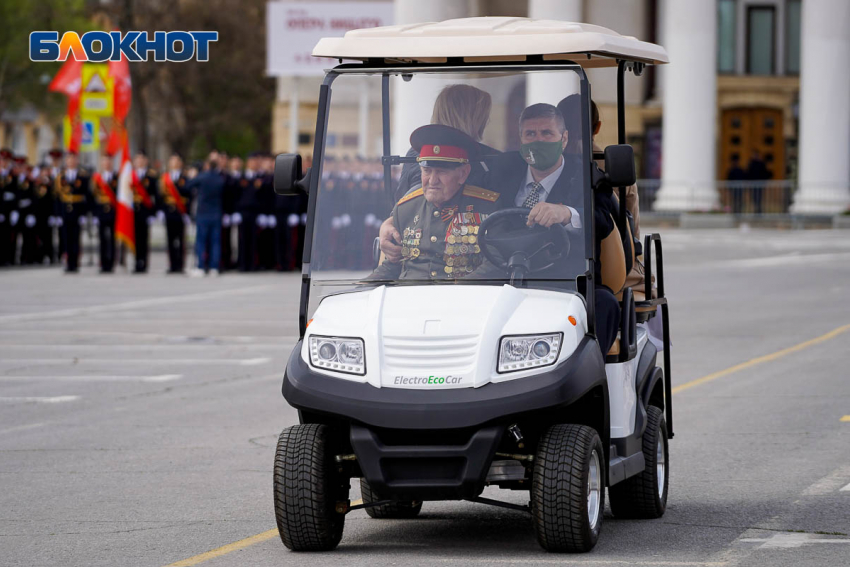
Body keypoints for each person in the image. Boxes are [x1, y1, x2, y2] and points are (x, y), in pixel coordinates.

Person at [488, 103, 620, 356]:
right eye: (530, 134)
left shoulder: (586, 175)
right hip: (501, 275)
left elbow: (603, 220)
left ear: (564, 138)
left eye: (547, 134)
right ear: (521, 138)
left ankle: (587, 381)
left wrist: (567, 213)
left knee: (604, 304)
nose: (538, 141)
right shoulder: (502, 170)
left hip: (565, 277)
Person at [370, 124, 501, 281]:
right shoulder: (406, 208)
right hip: (409, 297)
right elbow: (392, 265)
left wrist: (452, 294)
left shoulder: (488, 207)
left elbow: (494, 265)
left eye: (441, 172)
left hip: (461, 299)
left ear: (463, 173)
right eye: (427, 171)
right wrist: (360, 289)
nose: (432, 180)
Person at [188, 156, 225, 275]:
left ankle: (200, 266)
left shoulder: (202, 177)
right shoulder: (220, 179)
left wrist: (192, 175)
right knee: (215, 242)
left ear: (207, 166)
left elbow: (188, 186)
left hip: (203, 213)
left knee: (201, 241)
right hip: (216, 213)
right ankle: (214, 267)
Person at [55, 151, 89, 273]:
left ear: (77, 161)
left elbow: (86, 196)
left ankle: (75, 262)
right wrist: (58, 214)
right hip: (65, 210)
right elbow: (58, 197)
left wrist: (84, 214)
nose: (71, 161)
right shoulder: (61, 176)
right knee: (66, 237)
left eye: (73, 159)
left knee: (75, 237)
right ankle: (68, 262)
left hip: (77, 210)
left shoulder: (83, 176)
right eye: (69, 159)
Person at [159, 154, 192, 274]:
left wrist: (187, 212)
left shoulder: (185, 178)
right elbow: (161, 196)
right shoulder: (164, 178)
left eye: (177, 161)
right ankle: (172, 265)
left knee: (181, 241)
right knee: (170, 240)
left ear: (181, 163)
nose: (175, 164)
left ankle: (180, 265)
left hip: (180, 212)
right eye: (172, 161)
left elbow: (189, 196)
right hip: (169, 212)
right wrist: (161, 211)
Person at [90, 154, 119, 273]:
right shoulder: (97, 178)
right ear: (101, 163)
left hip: (113, 211)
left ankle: (112, 263)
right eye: (104, 161)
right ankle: (103, 263)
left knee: (112, 238)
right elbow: (92, 197)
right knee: (102, 238)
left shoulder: (117, 178)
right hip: (101, 211)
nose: (106, 163)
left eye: (108, 161)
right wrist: (94, 214)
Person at [131, 152, 157, 273]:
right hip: (133, 212)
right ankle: (136, 262)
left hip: (145, 212)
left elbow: (155, 196)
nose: (139, 161)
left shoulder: (151, 176)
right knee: (135, 239)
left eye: (142, 159)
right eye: (137, 159)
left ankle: (144, 263)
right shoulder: (130, 175)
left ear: (146, 161)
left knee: (144, 239)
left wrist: (153, 214)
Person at [746, 149, 771, 214]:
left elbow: (765, 173)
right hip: (753, 184)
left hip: (760, 184)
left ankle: (759, 210)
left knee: (759, 198)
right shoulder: (751, 163)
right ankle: (756, 209)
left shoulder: (761, 163)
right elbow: (749, 173)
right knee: (754, 198)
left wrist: (764, 182)